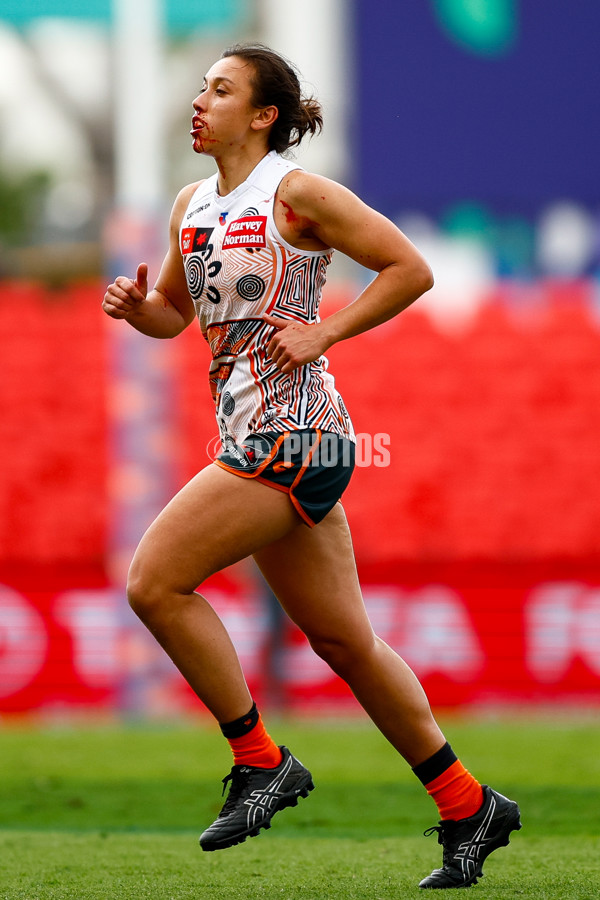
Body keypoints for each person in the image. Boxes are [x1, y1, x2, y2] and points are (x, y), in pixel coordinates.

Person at [102, 43, 521, 889]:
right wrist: (138, 309)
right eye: (201, 87)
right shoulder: (191, 204)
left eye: (220, 90)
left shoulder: (297, 192)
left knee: (152, 581)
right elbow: (176, 318)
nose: (199, 100)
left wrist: (326, 331)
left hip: (294, 436)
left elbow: (413, 268)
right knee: (346, 641)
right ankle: (468, 804)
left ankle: (261, 762)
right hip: (259, 438)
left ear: (262, 116)